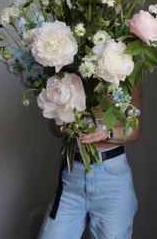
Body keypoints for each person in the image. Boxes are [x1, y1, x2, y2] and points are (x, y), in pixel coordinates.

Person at [38, 84, 142, 239]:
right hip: (73, 174)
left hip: (112, 179)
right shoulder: (66, 75)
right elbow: (53, 127)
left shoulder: (128, 73)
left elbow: (134, 131)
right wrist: (65, 122)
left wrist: (106, 133)